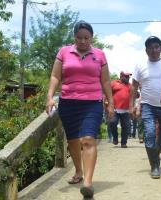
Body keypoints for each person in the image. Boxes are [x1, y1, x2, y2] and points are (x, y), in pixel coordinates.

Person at [45, 20, 114, 199]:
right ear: (74, 37)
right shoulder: (64, 52)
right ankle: (78, 171)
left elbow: (105, 81)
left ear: (91, 38)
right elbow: (55, 76)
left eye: (87, 38)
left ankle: (88, 183)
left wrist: (111, 103)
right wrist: (50, 97)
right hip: (68, 102)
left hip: (92, 103)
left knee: (88, 139)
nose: (83, 41)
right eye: (79, 38)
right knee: (73, 140)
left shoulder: (99, 55)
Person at [129, 36, 161, 179]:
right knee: (150, 134)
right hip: (147, 106)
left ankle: (154, 157)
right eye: (150, 48)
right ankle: (155, 166)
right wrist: (131, 106)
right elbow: (133, 87)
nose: (153, 50)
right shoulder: (140, 65)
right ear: (146, 50)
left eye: (156, 47)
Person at [109, 71, 132, 148]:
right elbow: (108, 93)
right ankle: (115, 138)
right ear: (121, 76)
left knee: (126, 126)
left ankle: (123, 143)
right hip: (115, 109)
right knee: (112, 122)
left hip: (126, 110)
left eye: (128, 76)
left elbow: (136, 95)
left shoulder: (130, 86)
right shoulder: (114, 83)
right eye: (126, 76)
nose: (128, 78)